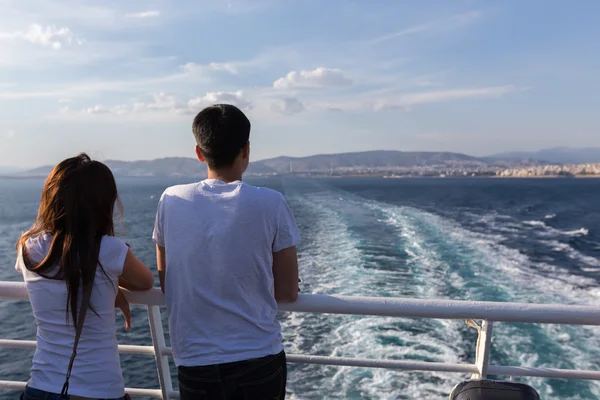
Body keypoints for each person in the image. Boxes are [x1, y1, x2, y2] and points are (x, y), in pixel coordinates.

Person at [153, 104, 300, 399]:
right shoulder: (271, 202)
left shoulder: (171, 199)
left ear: (199, 152)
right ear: (246, 151)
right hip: (259, 359)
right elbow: (286, 292)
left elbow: (168, 279)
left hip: (195, 361)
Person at [16, 153, 155, 400]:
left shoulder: (28, 247)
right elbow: (145, 281)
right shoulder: (110, 250)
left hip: (41, 388)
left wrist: (105, 283)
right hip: (99, 390)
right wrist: (111, 285)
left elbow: (62, 268)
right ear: (103, 204)